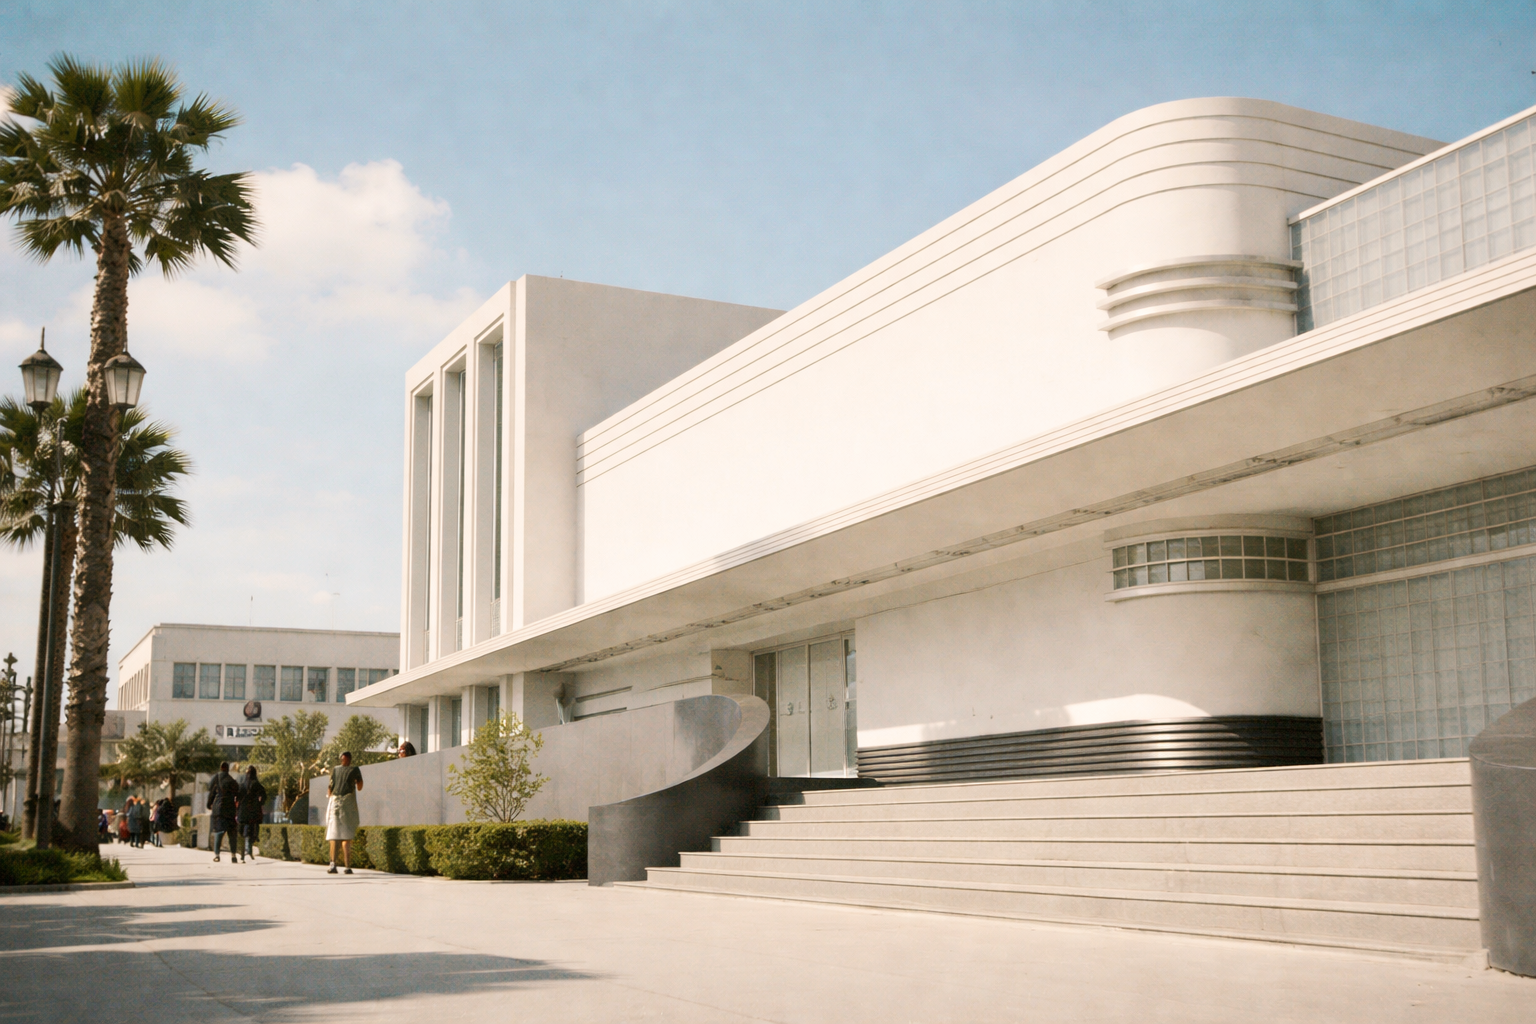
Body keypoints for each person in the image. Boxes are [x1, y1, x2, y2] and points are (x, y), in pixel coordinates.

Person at [325, 751, 364, 875]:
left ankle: (333, 865)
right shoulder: (354, 769)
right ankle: (346, 866)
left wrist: (330, 800)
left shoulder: (336, 770)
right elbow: (360, 786)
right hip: (347, 802)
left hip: (335, 801)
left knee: (334, 836)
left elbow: (330, 788)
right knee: (345, 836)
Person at [206, 762, 241, 864]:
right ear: (227, 769)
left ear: (221, 768)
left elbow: (211, 791)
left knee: (219, 832)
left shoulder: (216, 778)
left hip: (218, 809)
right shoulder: (231, 780)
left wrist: (209, 804)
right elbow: (237, 792)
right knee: (232, 833)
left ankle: (217, 855)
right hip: (230, 809)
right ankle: (233, 856)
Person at [236, 766, 266, 863]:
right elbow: (263, 795)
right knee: (249, 832)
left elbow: (237, 798)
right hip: (252, 811)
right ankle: (249, 851)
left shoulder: (241, 785)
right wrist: (260, 802)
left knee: (241, 833)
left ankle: (242, 854)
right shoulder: (256, 784)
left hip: (242, 812)